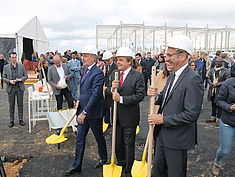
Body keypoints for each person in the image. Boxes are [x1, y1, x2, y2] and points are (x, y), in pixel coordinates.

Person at [148, 35, 204, 177]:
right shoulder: (173, 75)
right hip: (162, 135)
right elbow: (166, 98)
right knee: (158, 172)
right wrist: (155, 96)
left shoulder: (193, 79)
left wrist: (163, 120)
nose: (166, 58)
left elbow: (192, 114)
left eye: (169, 55)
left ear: (183, 56)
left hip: (177, 139)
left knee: (175, 173)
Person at [63, 45, 107, 176]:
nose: (83, 58)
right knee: (80, 138)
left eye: (86, 56)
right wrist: (79, 102)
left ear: (93, 58)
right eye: (83, 55)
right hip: (82, 110)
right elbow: (84, 92)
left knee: (98, 136)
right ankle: (77, 166)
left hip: (92, 113)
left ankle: (103, 158)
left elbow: (95, 95)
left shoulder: (98, 73)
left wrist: (85, 112)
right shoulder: (85, 71)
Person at [108, 47, 145, 177]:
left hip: (130, 116)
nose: (118, 62)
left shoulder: (138, 76)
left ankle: (129, 170)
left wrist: (122, 99)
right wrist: (112, 89)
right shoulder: (114, 74)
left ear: (130, 62)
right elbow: (108, 92)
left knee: (128, 143)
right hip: (116, 116)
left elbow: (140, 95)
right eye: (117, 59)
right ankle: (121, 164)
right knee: (117, 143)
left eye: (121, 60)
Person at [212, 70, 235, 176]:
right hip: (228, 121)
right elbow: (219, 100)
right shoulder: (229, 83)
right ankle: (217, 163)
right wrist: (230, 107)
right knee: (225, 150)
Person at [3, 52, 28, 127]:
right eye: (13, 57)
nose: (14, 59)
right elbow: (3, 77)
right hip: (11, 88)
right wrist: (9, 81)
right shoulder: (6, 67)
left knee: (20, 105)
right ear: (9, 58)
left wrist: (20, 79)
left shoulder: (21, 66)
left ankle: (21, 119)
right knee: (11, 105)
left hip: (19, 88)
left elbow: (26, 76)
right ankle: (11, 120)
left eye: (15, 57)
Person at [207, 57, 229, 126]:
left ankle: (218, 118)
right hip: (212, 89)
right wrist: (210, 83)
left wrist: (218, 84)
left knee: (219, 104)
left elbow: (227, 80)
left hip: (220, 90)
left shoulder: (225, 70)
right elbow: (208, 77)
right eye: (216, 61)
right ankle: (213, 117)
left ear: (221, 62)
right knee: (213, 103)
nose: (216, 63)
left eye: (218, 61)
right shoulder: (213, 69)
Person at [102, 50, 118, 125]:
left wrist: (109, 87)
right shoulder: (106, 66)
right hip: (107, 88)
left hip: (112, 88)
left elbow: (114, 79)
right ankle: (107, 121)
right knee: (106, 106)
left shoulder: (115, 67)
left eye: (107, 60)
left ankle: (113, 121)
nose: (106, 62)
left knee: (113, 106)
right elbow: (106, 77)